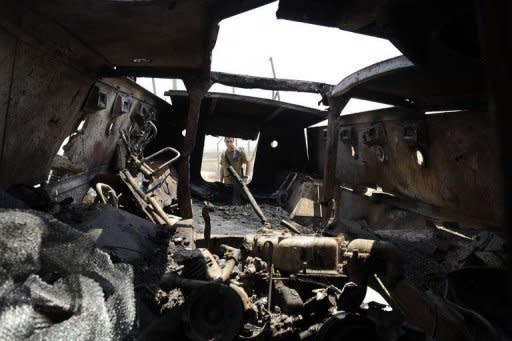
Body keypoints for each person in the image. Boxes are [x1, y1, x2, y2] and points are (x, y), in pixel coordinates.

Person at [220, 137, 251, 204]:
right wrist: (221, 180)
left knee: (236, 203)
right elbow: (222, 167)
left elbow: (248, 163)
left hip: (237, 182)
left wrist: (246, 176)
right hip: (227, 182)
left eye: (230, 141)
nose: (229, 143)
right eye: (227, 141)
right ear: (224, 141)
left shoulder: (239, 152)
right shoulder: (223, 154)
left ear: (233, 141)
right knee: (226, 202)